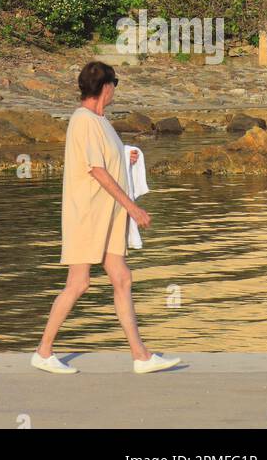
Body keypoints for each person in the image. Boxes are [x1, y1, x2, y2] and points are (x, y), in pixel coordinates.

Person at [31, 60, 180, 375]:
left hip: (107, 215)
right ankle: (43, 351)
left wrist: (128, 155)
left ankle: (140, 355)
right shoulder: (83, 120)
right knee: (79, 283)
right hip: (87, 214)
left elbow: (106, 159)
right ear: (106, 87)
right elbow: (95, 170)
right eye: (115, 84)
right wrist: (133, 207)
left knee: (122, 277)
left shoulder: (101, 122)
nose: (115, 91)